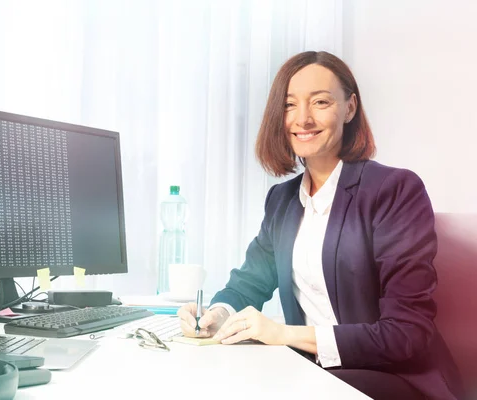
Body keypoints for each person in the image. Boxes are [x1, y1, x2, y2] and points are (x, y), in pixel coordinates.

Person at [177, 51, 462, 400]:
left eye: (321, 102)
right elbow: (248, 284)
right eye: (289, 105)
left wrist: (284, 335)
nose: (303, 118)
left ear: (350, 108)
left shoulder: (395, 191)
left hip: (393, 378)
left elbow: (406, 333)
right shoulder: (282, 201)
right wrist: (215, 315)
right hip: (311, 370)